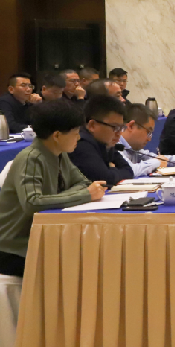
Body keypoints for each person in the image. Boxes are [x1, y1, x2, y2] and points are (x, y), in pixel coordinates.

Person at [0, 100, 104, 277]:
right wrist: (85, 195)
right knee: (78, 267)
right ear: (57, 136)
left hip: (41, 239)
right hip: (13, 248)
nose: (79, 138)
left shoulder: (60, 154)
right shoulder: (32, 158)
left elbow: (83, 183)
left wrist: (73, 194)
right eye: (75, 133)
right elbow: (32, 202)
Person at [68, 94, 134, 187]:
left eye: (121, 128)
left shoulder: (106, 143)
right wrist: (112, 170)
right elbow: (105, 179)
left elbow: (129, 171)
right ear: (92, 125)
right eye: (115, 127)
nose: (119, 133)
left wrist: (110, 171)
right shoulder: (81, 144)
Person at [119, 103, 175, 177]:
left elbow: (159, 158)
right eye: (148, 132)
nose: (149, 139)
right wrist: (156, 162)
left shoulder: (134, 149)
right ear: (131, 126)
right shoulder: (115, 146)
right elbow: (129, 170)